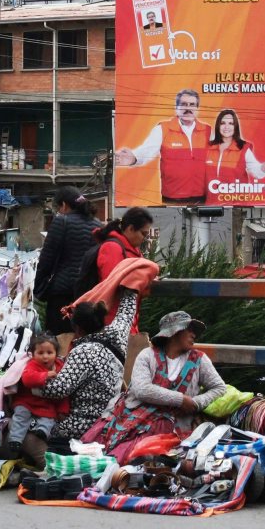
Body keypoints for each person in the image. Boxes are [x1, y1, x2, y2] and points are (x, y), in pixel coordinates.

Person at [86, 311, 225, 463]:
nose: (194, 334)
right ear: (175, 332)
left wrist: (196, 402)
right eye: (189, 329)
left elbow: (219, 387)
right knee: (114, 458)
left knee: (153, 459)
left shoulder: (199, 360)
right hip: (134, 421)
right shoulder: (147, 355)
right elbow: (142, 389)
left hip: (174, 426)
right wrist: (181, 399)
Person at [42, 290, 138, 441]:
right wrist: (130, 289)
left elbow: (59, 390)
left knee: (34, 427)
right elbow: (127, 312)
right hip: (111, 422)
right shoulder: (117, 335)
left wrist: (32, 380)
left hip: (83, 426)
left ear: (77, 329)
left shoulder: (82, 352)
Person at [114, 89, 213, 204]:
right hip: (173, 198)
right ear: (176, 108)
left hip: (203, 197)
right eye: (184, 104)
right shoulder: (163, 129)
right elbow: (147, 151)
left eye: (192, 105)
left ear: (197, 108)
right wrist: (134, 158)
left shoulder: (208, 131)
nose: (188, 108)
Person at [34, 186, 100, 334]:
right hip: (88, 294)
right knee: (82, 336)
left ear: (64, 205)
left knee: (59, 337)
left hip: (62, 294)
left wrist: (39, 288)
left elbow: (47, 259)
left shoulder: (61, 221)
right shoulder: (97, 225)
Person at [7, 334, 68, 458]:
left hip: (46, 403)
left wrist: (63, 410)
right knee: (20, 415)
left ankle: (42, 432)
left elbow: (65, 391)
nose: (45, 356)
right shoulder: (32, 364)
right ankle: (15, 439)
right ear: (33, 354)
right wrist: (45, 375)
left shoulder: (61, 367)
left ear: (56, 353)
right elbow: (27, 379)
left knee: (50, 417)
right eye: (40, 353)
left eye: (49, 352)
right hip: (27, 401)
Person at [93, 207, 154, 333]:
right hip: (112, 320)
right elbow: (112, 286)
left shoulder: (132, 250)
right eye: (143, 234)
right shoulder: (112, 248)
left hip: (126, 319)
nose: (144, 238)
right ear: (130, 228)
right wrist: (143, 282)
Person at [204, 109, 265, 193]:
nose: (226, 127)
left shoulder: (243, 148)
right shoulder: (207, 147)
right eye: (223, 123)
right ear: (218, 125)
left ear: (235, 126)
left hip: (234, 199)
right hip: (210, 200)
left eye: (231, 123)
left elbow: (257, 172)